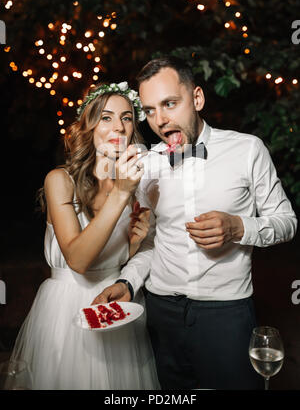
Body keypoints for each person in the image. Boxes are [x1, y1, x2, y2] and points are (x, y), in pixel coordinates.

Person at [92, 56, 298, 390]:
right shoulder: (147, 164)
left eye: (170, 104)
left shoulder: (247, 150)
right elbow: (149, 242)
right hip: (161, 311)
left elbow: (287, 222)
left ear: (197, 98)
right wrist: (129, 282)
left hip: (226, 312)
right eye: (149, 110)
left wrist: (239, 227)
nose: (160, 120)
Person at [10, 82, 159, 390]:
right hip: (65, 310)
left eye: (127, 117)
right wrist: (120, 193)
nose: (118, 126)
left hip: (117, 308)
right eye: (106, 117)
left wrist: (132, 248)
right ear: (89, 127)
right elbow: (78, 259)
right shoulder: (60, 181)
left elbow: (144, 251)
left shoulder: (139, 185)